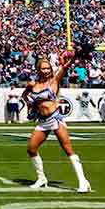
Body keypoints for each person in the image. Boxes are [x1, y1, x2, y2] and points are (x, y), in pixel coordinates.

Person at [23, 53, 91, 193]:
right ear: (38, 70)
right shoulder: (33, 84)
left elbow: (65, 67)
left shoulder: (54, 81)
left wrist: (73, 56)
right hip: (42, 121)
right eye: (43, 68)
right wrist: (30, 104)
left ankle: (83, 182)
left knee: (68, 149)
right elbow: (25, 95)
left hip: (55, 119)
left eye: (48, 68)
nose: (46, 71)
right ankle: (41, 179)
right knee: (31, 149)